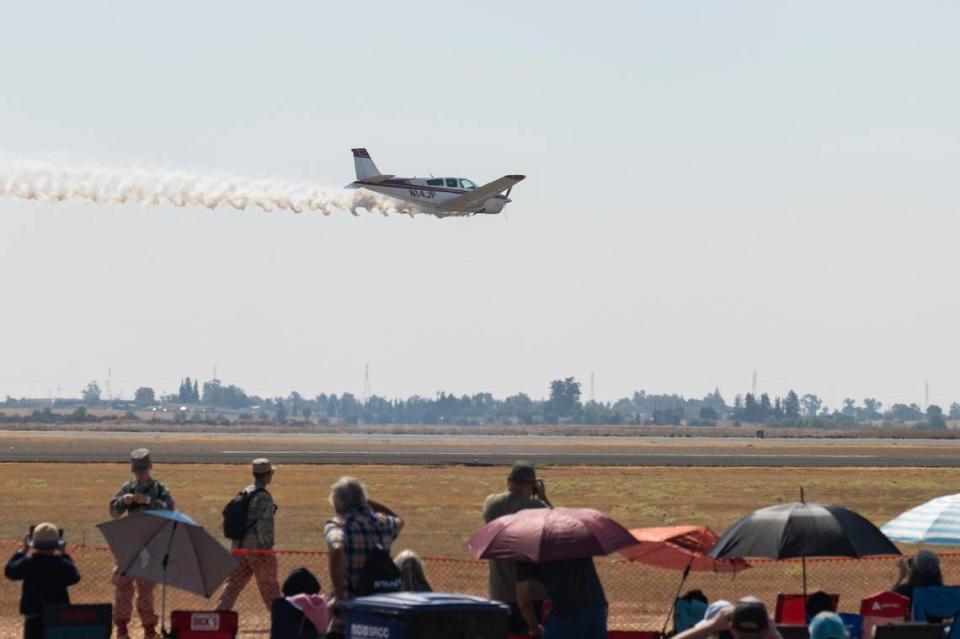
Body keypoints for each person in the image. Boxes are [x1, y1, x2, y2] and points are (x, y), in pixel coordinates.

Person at [325, 476, 403, 639]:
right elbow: (399, 521)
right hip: (380, 614)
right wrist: (366, 501)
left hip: (349, 615)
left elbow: (337, 547)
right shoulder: (383, 524)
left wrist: (339, 598)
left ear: (339, 506)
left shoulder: (339, 525)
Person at [108, 448, 174, 639]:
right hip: (129, 547)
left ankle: (149, 630)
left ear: (150, 467)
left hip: (151, 545)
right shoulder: (127, 488)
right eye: (137, 471)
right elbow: (113, 511)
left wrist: (148, 501)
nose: (140, 474)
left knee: (146, 590)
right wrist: (123, 501)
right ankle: (122, 629)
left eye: (143, 470)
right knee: (123, 588)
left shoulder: (160, 490)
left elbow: (170, 510)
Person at [483, 461, 552, 634]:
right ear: (532, 484)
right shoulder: (536, 507)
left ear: (509, 480)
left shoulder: (490, 503)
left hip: (499, 591)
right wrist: (543, 498)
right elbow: (557, 526)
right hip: (531, 593)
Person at [216, 458, 282, 613]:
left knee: (231, 588)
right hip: (257, 551)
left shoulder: (245, 492)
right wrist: (267, 551)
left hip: (238, 550)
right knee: (270, 589)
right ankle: (282, 622)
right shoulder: (263, 496)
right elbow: (264, 526)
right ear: (266, 475)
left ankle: (218, 618)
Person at [5, 522, 81, 639]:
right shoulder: (61, 565)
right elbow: (74, 576)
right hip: (58, 619)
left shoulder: (28, 564)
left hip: (33, 621)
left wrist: (24, 550)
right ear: (57, 544)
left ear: (33, 543)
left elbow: (10, 571)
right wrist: (64, 553)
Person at [516, 556, 607, 639]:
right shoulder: (578, 540)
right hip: (597, 605)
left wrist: (534, 628)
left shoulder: (528, 553)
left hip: (564, 613)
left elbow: (524, 601)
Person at [675, 598, 781, 639]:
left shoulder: (714, 627)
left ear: (731, 628)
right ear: (767, 628)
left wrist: (712, 625)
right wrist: (775, 635)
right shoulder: (770, 632)